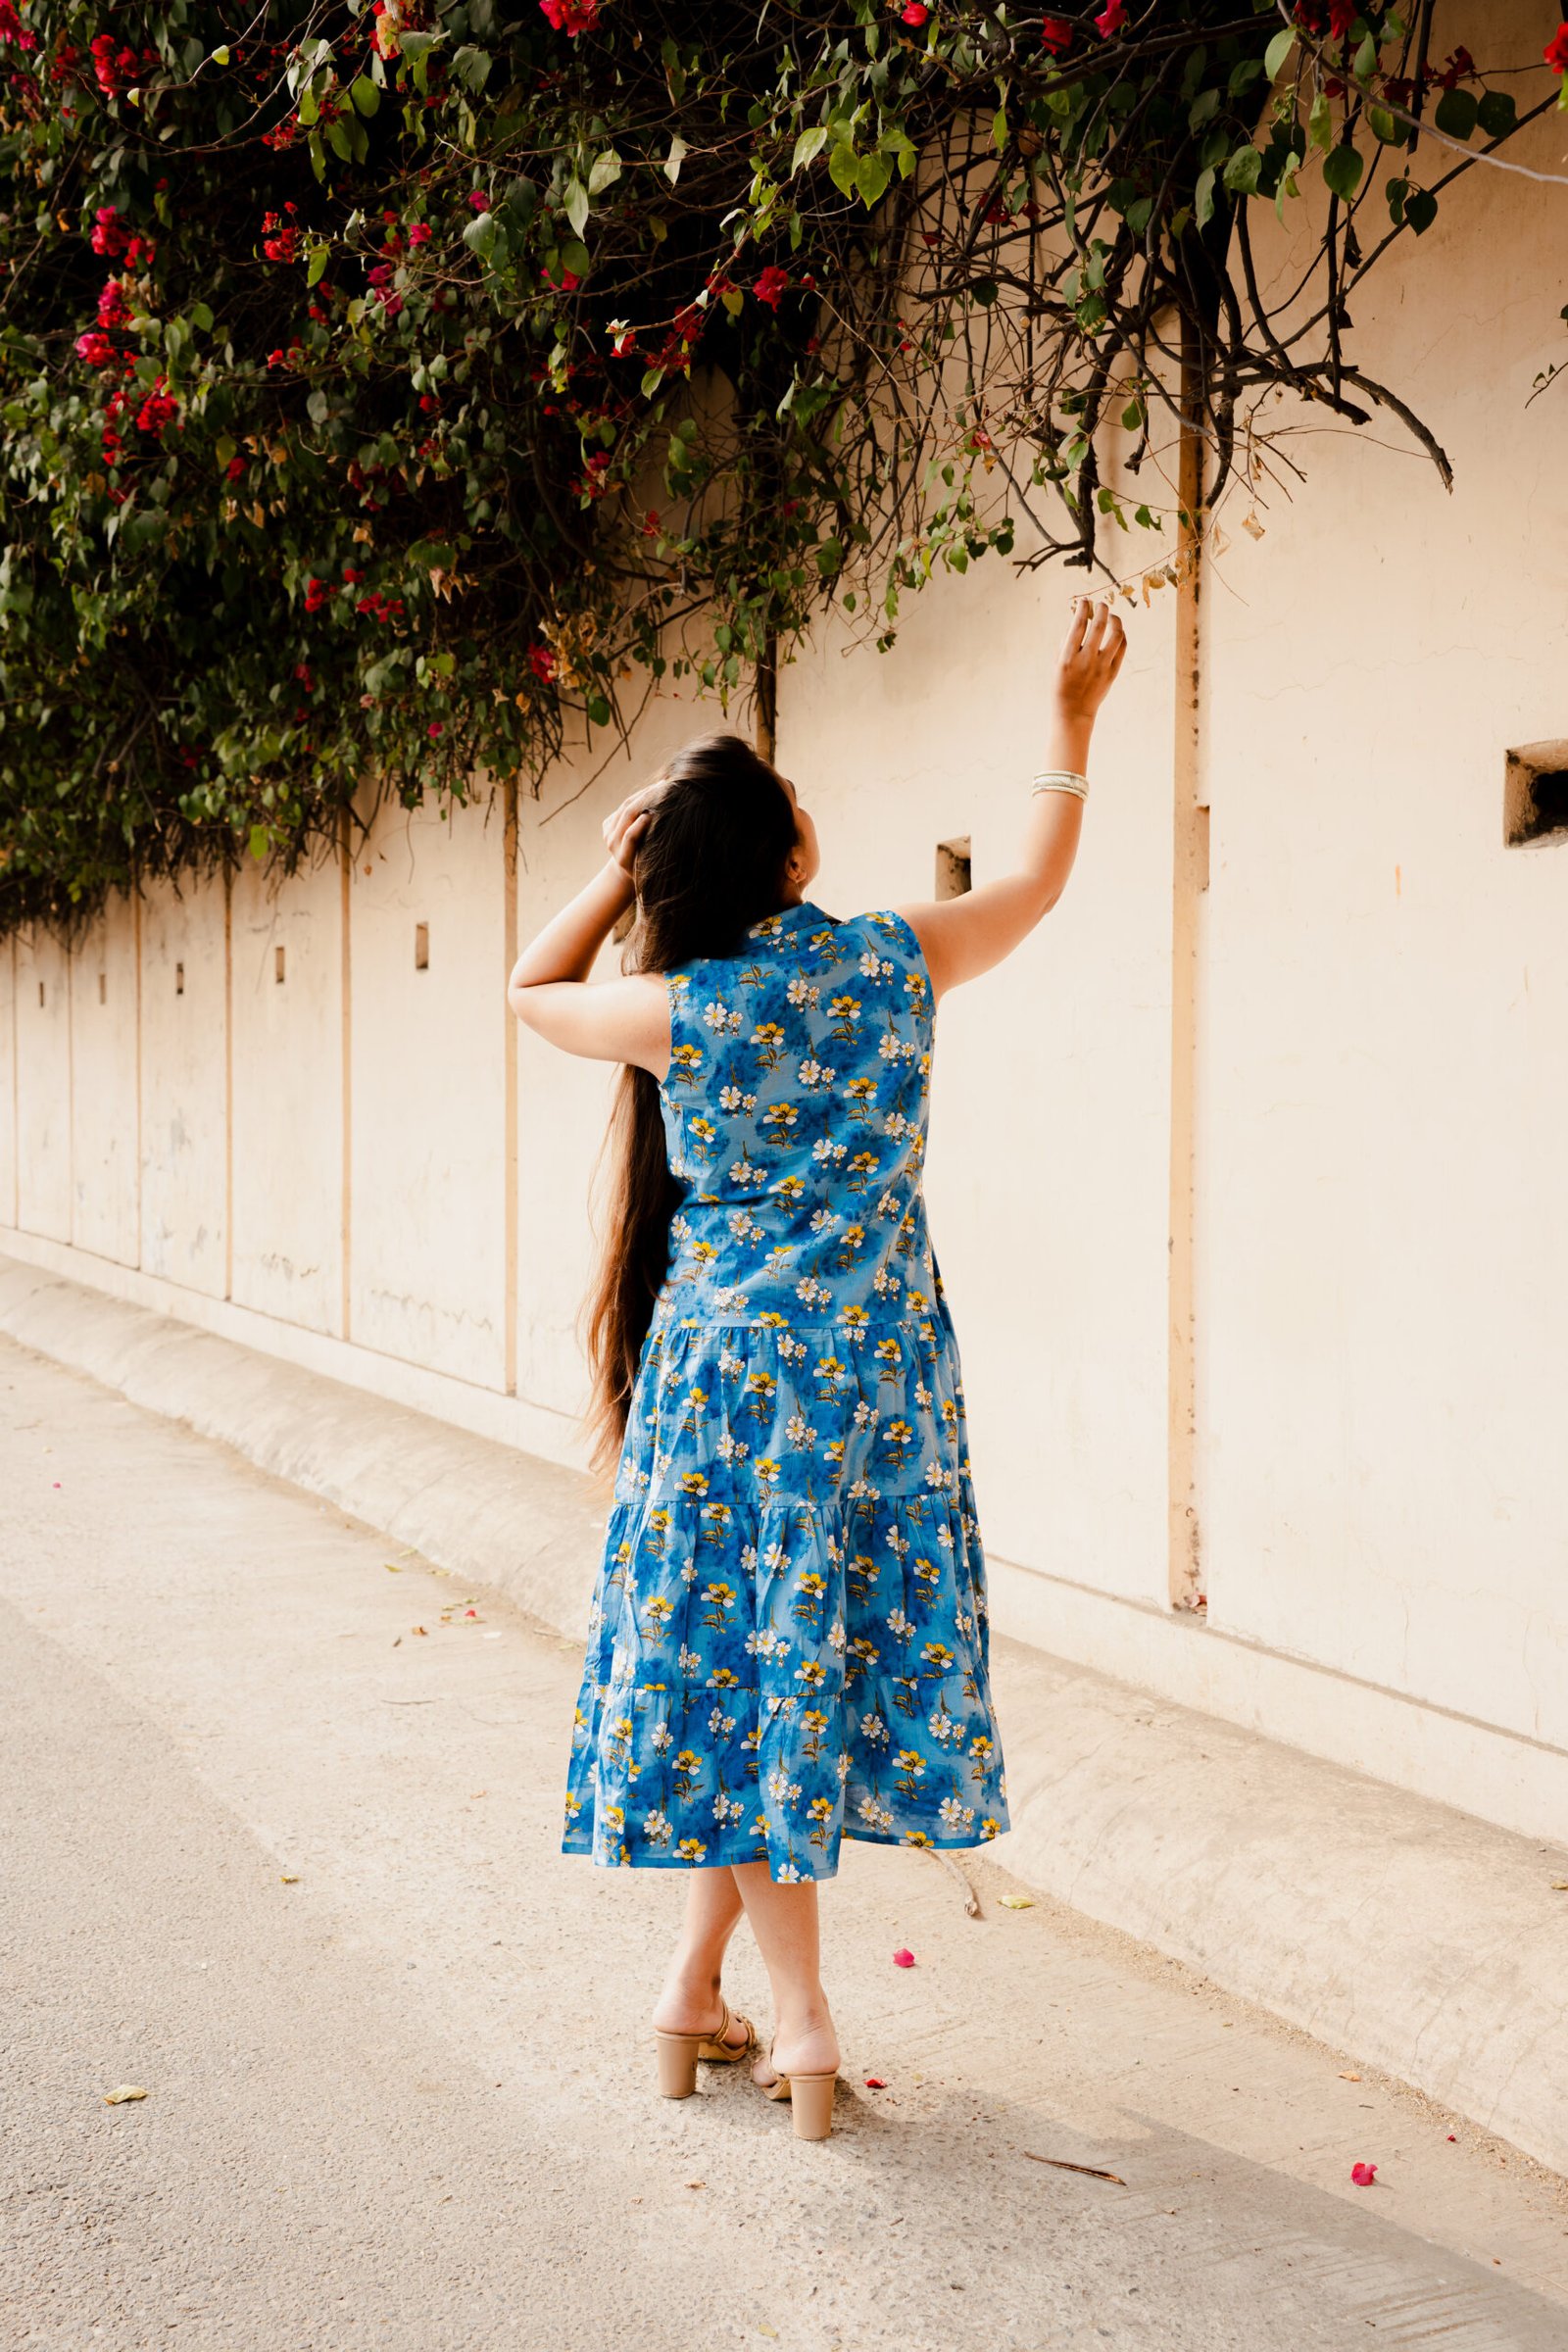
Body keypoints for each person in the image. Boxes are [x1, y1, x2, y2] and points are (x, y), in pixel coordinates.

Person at [508, 593, 1127, 2138]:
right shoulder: (891, 961)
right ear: (793, 857)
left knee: (743, 1672)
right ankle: (784, 2019)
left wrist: (610, 862)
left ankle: (722, 2004)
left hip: (720, 1380)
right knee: (783, 1672)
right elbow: (1040, 883)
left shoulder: (679, 1008)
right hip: (870, 1379)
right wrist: (1072, 718)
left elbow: (526, 991)